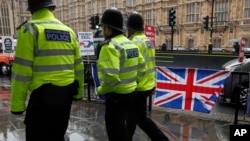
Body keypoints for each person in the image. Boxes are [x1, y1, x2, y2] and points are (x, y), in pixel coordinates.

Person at [10, 0, 84, 141]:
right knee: (58, 134)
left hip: (42, 98)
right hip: (66, 96)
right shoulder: (68, 31)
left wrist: (17, 105)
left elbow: (21, 72)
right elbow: (79, 67)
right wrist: (79, 93)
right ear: (51, 8)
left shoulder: (30, 29)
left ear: (31, 10)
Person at [97, 8, 145, 141]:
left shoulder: (109, 47)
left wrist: (100, 90)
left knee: (115, 133)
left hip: (116, 97)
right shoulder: (131, 44)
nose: (102, 31)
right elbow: (142, 68)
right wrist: (133, 83)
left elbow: (110, 79)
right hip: (131, 94)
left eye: (103, 28)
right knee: (122, 130)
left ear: (107, 28)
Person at [126, 13, 170, 141]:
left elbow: (131, 67)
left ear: (130, 29)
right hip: (147, 84)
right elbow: (152, 63)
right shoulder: (148, 41)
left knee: (140, 118)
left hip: (137, 86)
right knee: (132, 116)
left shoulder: (132, 42)